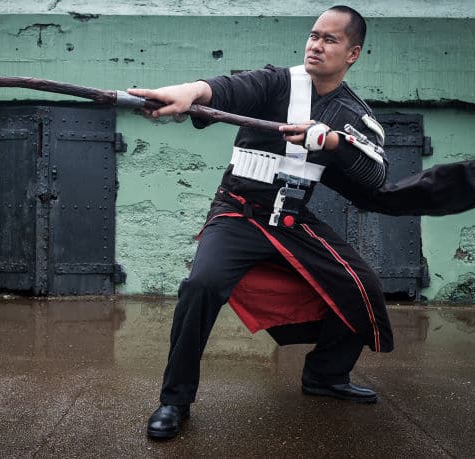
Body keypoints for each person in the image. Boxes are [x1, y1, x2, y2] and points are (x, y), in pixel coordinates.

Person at [128, 5, 393, 440]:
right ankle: (174, 401)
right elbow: (226, 89)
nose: (315, 45)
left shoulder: (352, 114)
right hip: (237, 212)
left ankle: (324, 375)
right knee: (200, 286)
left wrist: (332, 142)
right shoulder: (277, 82)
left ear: (353, 53)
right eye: (313, 35)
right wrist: (188, 92)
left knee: (363, 287)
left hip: (291, 220)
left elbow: (375, 173)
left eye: (330, 39)